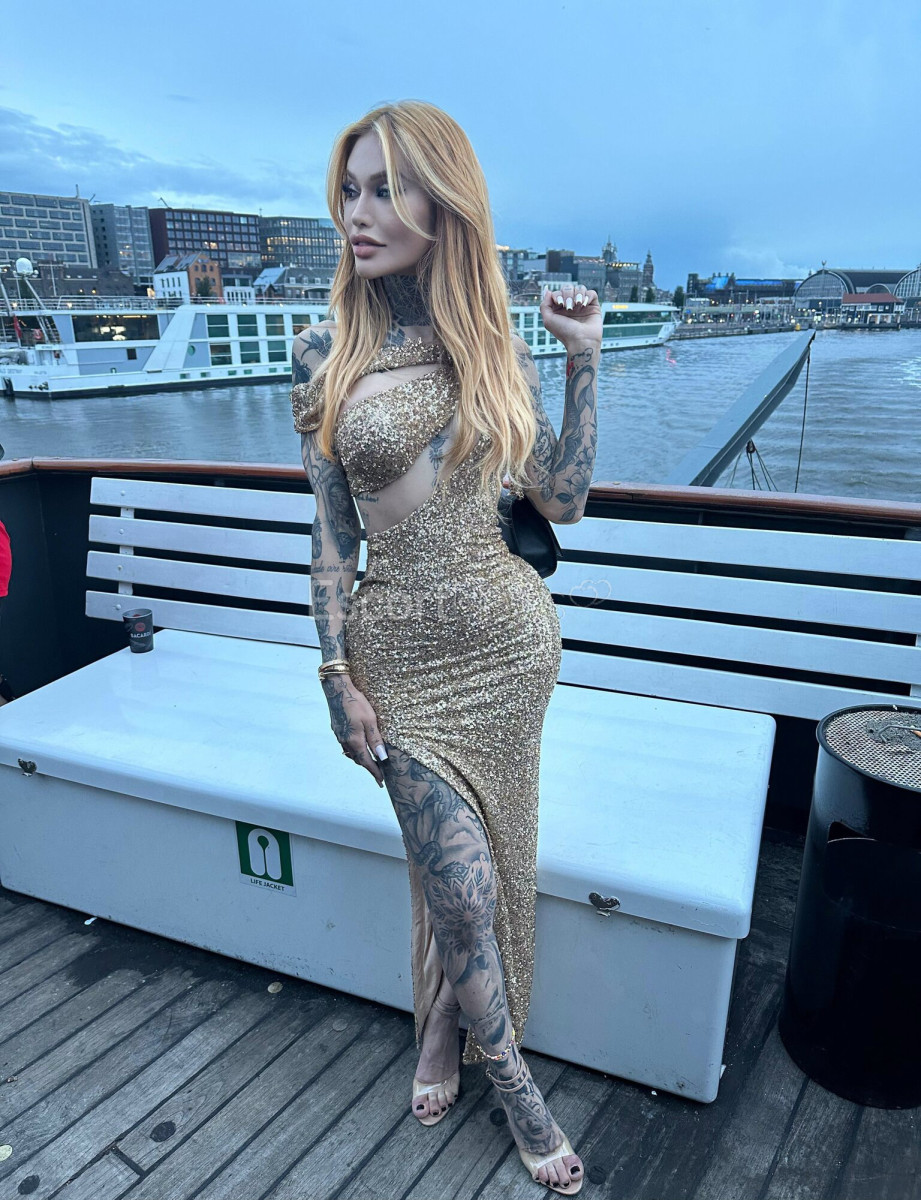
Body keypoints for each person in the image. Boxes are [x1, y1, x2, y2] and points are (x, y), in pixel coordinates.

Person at [291, 100, 600, 1195]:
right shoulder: (325, 351)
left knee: (479, 864)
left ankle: (439, 1028)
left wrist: (582, 362)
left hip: (510, 652)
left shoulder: (492, 348)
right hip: (403, 666)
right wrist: (335, 674)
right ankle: (517, 1090)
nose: (359, 211)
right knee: (462, 887)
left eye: (386, 188)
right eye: (349, 189)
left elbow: (561, 501)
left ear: (445, 203)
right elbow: (333, 539)